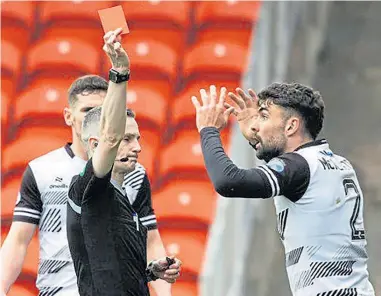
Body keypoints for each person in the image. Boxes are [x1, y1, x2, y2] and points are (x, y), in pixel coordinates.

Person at [0, 28, 173, 296]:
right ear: (69, 116)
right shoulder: (42, 170)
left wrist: (156, 277)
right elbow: (18, 240)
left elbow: (148, 241)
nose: (99, 117)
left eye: (104, 111)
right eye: (87, 111)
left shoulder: (134, 174)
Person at [191, 84, 375, 296]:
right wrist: (258, 140)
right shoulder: (339, 163)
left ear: (291, 127)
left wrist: (208, 130)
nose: (255, 126)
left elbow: (228, 181)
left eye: (264, 116)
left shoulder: (299, 166)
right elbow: (288, 171)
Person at [66, 28, 181, 296]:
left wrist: (153, 271)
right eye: (126, 139)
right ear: (94, 145)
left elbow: (115, 269)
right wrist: (119, 73)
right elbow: (110, 135)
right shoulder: (88, 189)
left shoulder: (127, 192)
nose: (138, 147)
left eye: (137, 138)